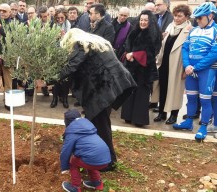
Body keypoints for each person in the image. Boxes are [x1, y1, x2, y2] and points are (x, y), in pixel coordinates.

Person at [59, 28, 136, 172]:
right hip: (112, 84)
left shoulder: (80, 45)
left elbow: (71, 67)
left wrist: (48, 79)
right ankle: (96, 155)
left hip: (103, 90)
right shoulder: (95, 42)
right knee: (95, 121)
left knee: (101, 124)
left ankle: (109, 162)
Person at [173, 2, 217, 141]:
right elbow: (185, 48)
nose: (197, 20)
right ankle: (188, 122)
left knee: (205, 100)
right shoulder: (194, 30)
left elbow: (214, 53)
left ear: (210, 16)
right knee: (191, 98)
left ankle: (203, 126)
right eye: (196, 18)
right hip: (191, 70)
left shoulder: (215, 30)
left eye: (200, 18)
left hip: (207, 71)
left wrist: (195, 67)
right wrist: (187, 65)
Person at [120, 10, 162, 127]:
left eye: (145, 20)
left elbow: (151, 53)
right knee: (130, 92)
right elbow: (127, 45)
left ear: (150, 22)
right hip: (131, 68)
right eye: (141, 20)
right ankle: (128, 116)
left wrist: (134, 55)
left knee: (141, 95)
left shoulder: (153, 34)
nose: (143, 22)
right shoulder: (135, 31)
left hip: (145, 70)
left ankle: (139, 119)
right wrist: (128, 53)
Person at [154, 4, 192, 124]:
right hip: (164, 62)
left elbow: (190, 51)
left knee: (175, 90)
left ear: (186, 17)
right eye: (175, 16)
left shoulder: (189, 30)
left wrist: (186, 68)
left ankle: (174, 115)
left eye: (180, 16)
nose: (176, 18)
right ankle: (162, 112)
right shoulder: (170, 26)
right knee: (163, 87)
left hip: (178, 65)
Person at [60, 109, 111, 191]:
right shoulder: (88, 126)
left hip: (93, 159)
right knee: (89, 158)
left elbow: (66, 151)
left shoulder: (72, 131)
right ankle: (97, 183)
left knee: (73, 163)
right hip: (106, 158)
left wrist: (64, 167)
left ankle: (75, 187)